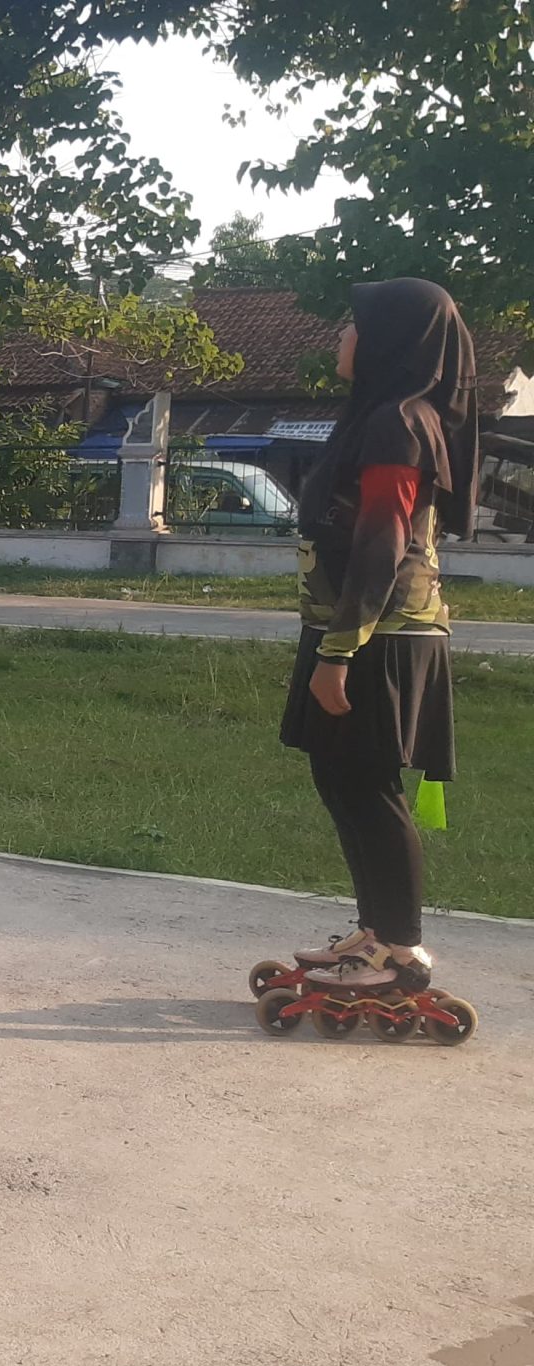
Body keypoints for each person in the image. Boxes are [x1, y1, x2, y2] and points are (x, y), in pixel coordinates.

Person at [280, 278, 475, 989]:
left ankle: (400, 950)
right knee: (341, 779)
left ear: (392, 339)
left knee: (368, 786)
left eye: (353, 326)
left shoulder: (399, 421)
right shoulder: (379, 416)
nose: (342, 337)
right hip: (350, 629)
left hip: (379, 636)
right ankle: (374, 932)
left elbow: (382, 543)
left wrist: (339, 652)